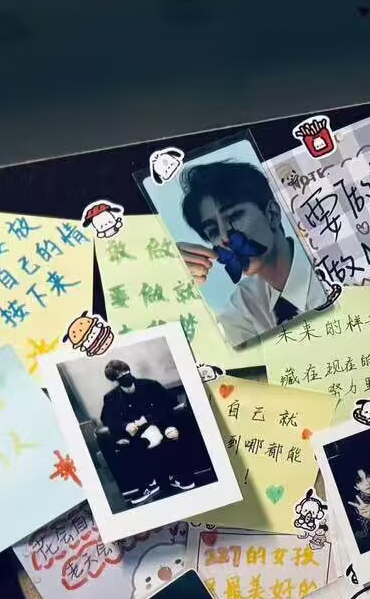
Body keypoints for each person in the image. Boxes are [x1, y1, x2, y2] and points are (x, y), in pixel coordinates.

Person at [175, 160, 321, 345]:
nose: (224, 237)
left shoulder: (331, 264)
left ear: (272, 214)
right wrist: (177, 291)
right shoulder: (241, 307)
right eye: (213, 231)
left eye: (234, 216)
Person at [97, 357, 199, 506]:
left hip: (159, 425)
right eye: (120, 376)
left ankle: (179, 476)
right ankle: (148, 485)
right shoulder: (111, 397)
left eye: (126, 372)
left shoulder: (151, 385)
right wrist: (125, 426)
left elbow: (169, 405)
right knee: (127, 446)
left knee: (173, 434)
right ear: (114, 381)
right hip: (135, 435)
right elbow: (108, 419)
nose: (125, 377)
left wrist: (151, 420)